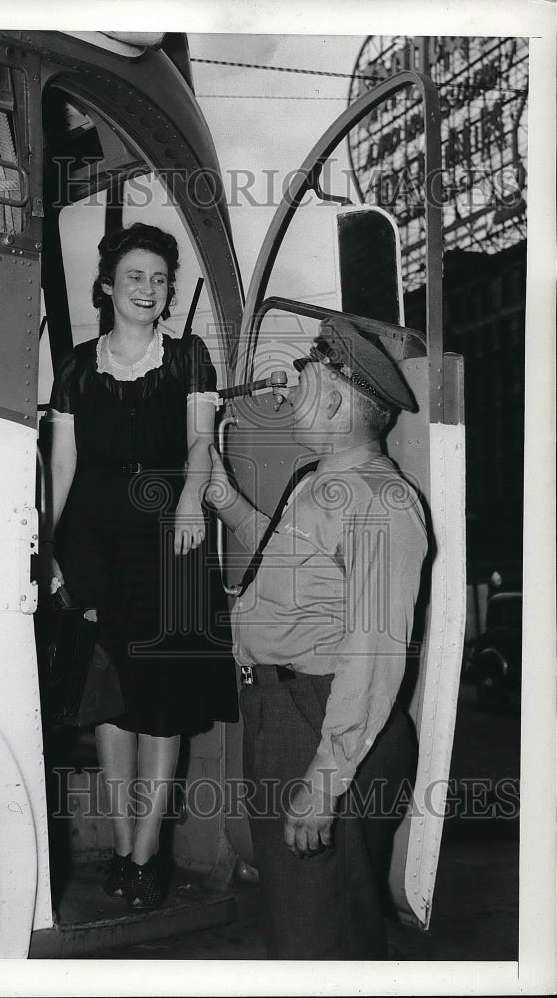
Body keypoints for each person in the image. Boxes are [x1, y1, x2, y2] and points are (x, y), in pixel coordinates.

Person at [206, 315, 429, 959]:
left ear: (333, 398)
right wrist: (225, 499)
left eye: (305, 377)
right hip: (284, 712)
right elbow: (290, 567)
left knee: (319, 934)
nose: (291, 387)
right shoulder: (320, 480)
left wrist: (324, 782)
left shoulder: (381, 505)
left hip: (324, 720)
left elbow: (373, 656)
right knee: (303, 916)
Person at [44, 222, 238, 909]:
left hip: (169, 540)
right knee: (111, 703)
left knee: (162, 703)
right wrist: (47, 548)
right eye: (134, 277)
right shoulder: (75, 367)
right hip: (95, 545)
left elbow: (199, 443)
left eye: (159, 279)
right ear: (106, 287)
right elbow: (62, 467)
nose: (147, 289)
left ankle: (147, 853)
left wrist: (190, 501)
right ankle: (124, 845)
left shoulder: (188, 359)